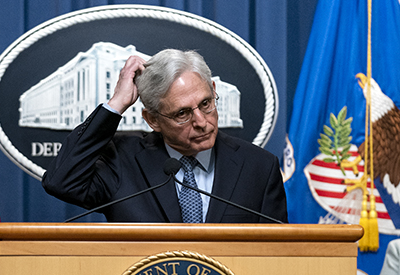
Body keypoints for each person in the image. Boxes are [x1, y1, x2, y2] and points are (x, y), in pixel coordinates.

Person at [42, 49, 288, 223]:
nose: (201, 122)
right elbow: (61, 181)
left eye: (205, 104)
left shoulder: (259, 167)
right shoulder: (123, 161)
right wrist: (116, 103)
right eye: (182, 113)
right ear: (152, 120)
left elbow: (278, 254)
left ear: (213, 91)